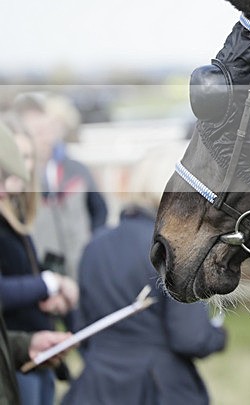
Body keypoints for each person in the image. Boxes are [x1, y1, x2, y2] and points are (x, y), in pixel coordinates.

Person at [62, 144, 227, 405]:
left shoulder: (95, 245)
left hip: (97, 387)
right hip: (157, 386)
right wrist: (217, 335)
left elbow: (83, 327)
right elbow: (190, 337)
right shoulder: (173, 250)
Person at [0, 118, 79, 405]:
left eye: (26, 158)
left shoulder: (17, 218)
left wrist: (27, 343)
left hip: (28, 350)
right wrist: (49, 283)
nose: (22, 169)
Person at [13, 93, 108, 282]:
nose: (46, 137)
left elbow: (99, 212)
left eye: (48, 129)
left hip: (84, 272)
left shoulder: (78, 171)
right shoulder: (17, 181)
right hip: (43, 278)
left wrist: (92, 247)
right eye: (37, 132)